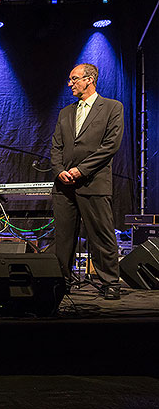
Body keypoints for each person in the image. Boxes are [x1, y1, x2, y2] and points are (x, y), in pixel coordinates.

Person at [50, 63, 124, 300]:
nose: (70, 83)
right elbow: (56, 146)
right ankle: (62, 281)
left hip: (93, 182)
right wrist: (60, 170)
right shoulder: (65, 112)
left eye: (74, 79)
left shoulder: (112, 107)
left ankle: (110, 282)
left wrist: (81, 170)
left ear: (89, 79)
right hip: (64, 186)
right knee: (63, 238)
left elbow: (110, 145)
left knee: (100, 234)